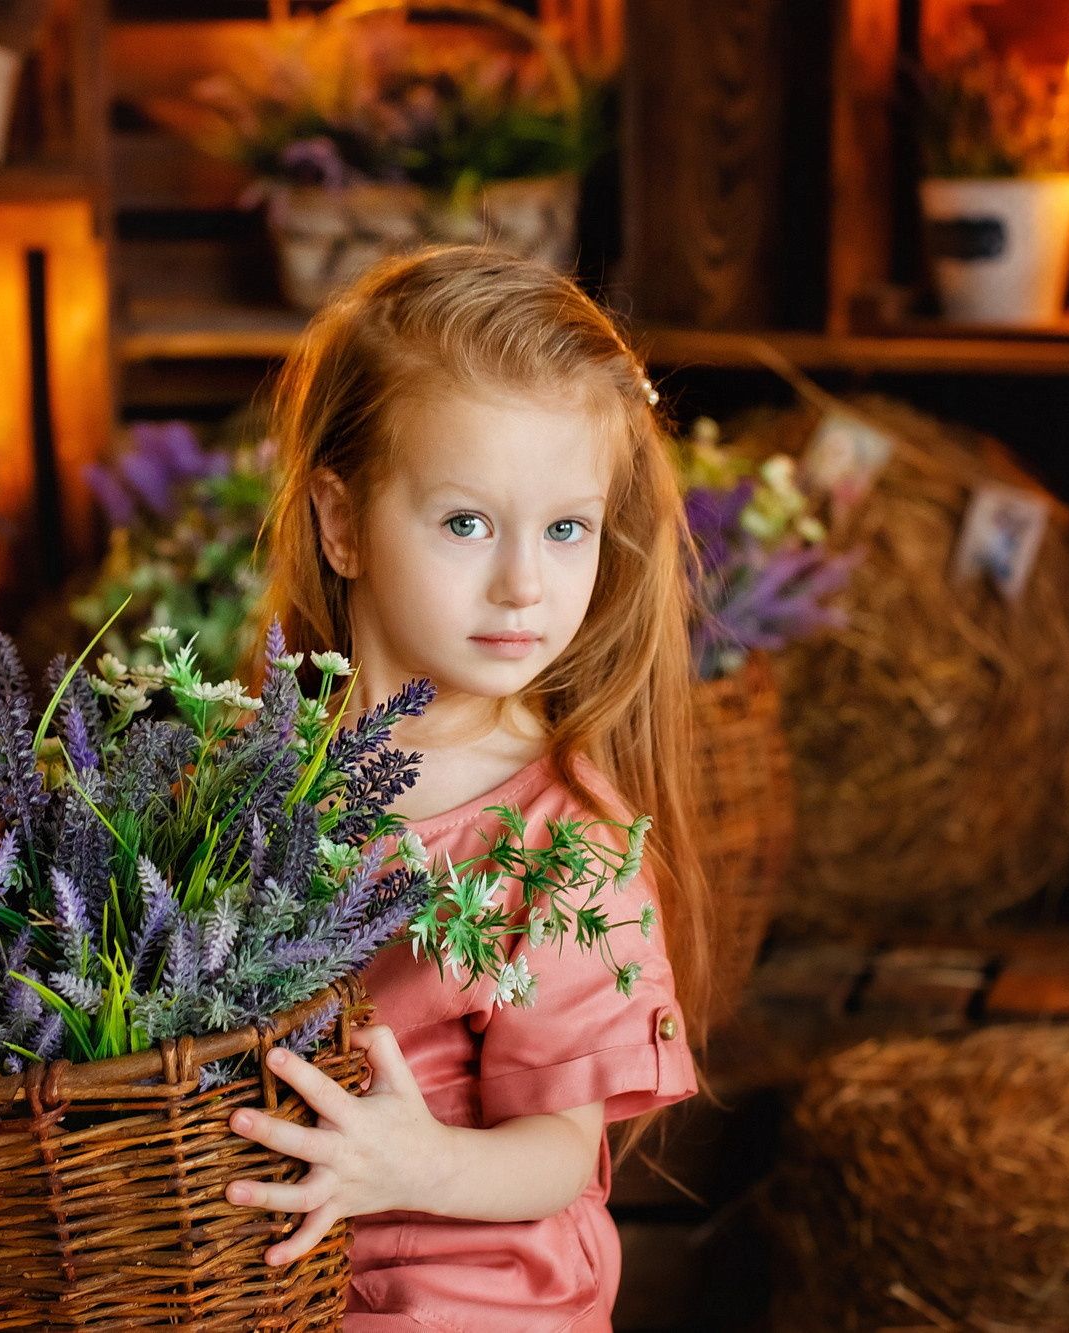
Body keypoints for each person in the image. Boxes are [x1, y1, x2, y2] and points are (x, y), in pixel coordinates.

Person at [225, 246, 708, 1331]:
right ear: (341, 524)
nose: (523, 583)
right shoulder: (260, 770)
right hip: (265, 1271)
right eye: (464, 523)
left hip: (467, 1294)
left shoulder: (563, 843)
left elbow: (557, 1154)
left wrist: (418, 1164)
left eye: (564, 527)